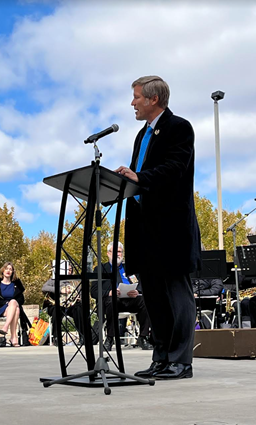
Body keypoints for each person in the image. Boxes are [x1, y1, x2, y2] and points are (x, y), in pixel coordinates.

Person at [115, 76, 201, 380]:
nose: (132, 103)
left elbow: (175, 167)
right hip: (143, 228)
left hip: (171, 228)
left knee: (176, 294)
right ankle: (161, 358)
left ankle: (181, 361)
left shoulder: (179, 127)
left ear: (153, 99)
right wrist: (127, 178)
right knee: (153, 296)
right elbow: (142, 175)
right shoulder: (141, 134)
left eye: (137, 97)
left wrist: (139, 177)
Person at [91, 242, 152, 351]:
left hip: (130, 300)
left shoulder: (130, 268)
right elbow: (94, 291)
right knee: (111, 300)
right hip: (111, 301)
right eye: (113, 252)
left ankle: (143, 337)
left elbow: (141, 284)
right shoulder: (100, 269)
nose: (117, 254)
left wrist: (137, 291)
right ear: (108, 253)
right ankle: (110, 338)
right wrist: (109, 292)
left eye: (119, 252)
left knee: (145, 300)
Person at [42, 263, 84, 346]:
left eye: (70, 270)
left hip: (71, 306)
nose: (69, 272)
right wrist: (60, 290)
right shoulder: (54, 279)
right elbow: (44, 288)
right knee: (57, 310)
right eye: (67, 270)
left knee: (79, 309)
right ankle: (56, 338)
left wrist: (79, 298)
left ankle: (82, 336)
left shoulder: (75, 281)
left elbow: (81, 294)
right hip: (57, 304)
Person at [0, 262, 28, 347]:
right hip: (0, 308)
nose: (8, 271)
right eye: (6, 269)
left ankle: (6, 328)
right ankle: (14, 338)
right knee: (15, 309)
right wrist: (6, 303)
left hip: (13, 307)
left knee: (15, 306)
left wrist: (12, 303)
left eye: (10, 269)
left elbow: (21, 300)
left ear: (13, 272)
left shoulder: (16, 284)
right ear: (3, 270)